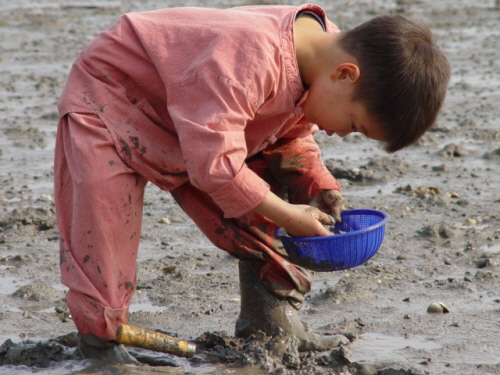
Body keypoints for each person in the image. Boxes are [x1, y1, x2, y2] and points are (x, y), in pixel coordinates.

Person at [54, 3, 450, 363]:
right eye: (353, 125)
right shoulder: (248, 59)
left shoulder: (325, 54)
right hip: (112, 99)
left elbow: (292, 133)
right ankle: (102, 346)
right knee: (103, 233)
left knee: (273, 203)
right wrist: (286, 213)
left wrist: (317, 186)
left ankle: (271, 321)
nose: (341, 134)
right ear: (345, 75)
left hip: (198, 125)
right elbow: (215, 166)